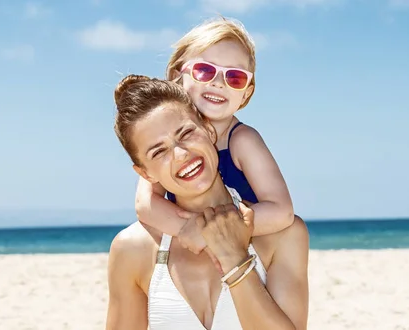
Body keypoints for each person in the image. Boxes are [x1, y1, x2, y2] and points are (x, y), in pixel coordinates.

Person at [105, 74, 309, 329]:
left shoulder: (284, 235)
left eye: (186, 133)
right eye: (159, 151)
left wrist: (234, 259)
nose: (181, 154)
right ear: (145, 173)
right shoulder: (133, 248)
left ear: (208, 129)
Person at [134, 17, 300, 253]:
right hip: (195, 252)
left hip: (243, 250)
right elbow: (146, 203)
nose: (219, 83)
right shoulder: (167, 139)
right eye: (204, 71)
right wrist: (186, 229)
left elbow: (281, 211)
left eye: (235, 77)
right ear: (176, 76)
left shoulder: (242, 140)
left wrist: (211, 232)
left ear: (246, 93)